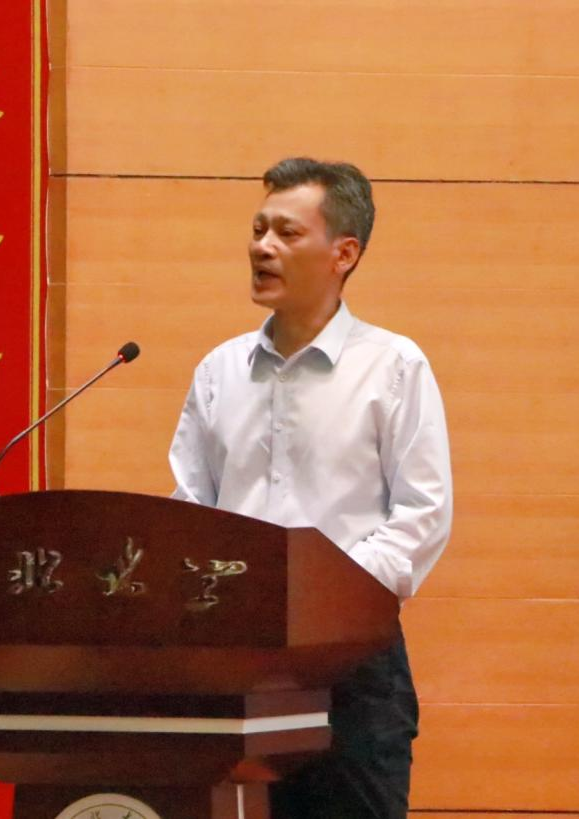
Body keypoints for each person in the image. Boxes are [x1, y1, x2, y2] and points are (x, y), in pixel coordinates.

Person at [168, 157, 452, 818]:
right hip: (235, 665)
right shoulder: (219, 371)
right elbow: (190, 510)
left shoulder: (392, 367)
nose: (262, 247)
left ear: (343, 254)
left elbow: (422, 513)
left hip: (351, 670)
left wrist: (323, 600)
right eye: (258, 229)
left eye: (287, 233)